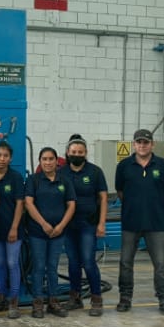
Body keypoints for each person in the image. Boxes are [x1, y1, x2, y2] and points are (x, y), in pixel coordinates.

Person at [114, 129, 164, 316]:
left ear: (152, 144)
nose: (142, 145)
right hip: (130, 223)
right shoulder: (124, 166)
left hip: (156, 224)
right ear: (134, 144)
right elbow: (120, 191)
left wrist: (159, 207)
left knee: (160, 263)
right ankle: (125, 298)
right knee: (126, 262)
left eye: (146, 142)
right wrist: (133, 206)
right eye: (139, 142)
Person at [58, 135, 108, 317]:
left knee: (88, 261)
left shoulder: (95, 172)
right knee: (73, 262)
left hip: (88, 224)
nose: (77, 155)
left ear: (86, 153)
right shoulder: (61, 173)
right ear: (67, 152)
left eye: (80, 152)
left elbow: (103, 198)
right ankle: (75, 298)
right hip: (68, 225)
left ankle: (96, 299)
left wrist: (101, 223)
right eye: (73, 152)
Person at [26, 147, 76, 319]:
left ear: (57, 161)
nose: (48, 162)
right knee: (39, 267)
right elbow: (28, 203)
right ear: (40, 161)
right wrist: (43, 224)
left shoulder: (65, 181)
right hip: (37, 233)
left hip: (58, 233)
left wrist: (61, 226)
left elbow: (71, 205)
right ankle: (38, 302)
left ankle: (53, 301)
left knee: (53, 267)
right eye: (44, 159)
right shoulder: (33, 180)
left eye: (51, 159)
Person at [0, 141, 25, 319]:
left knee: (12, 263)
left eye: (6, 156)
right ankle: (0, 296)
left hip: (12, 230)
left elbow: (20, 204)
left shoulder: (15, 178)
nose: (2, 159)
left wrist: (14, 227)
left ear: (10, 158)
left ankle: (13, 300)